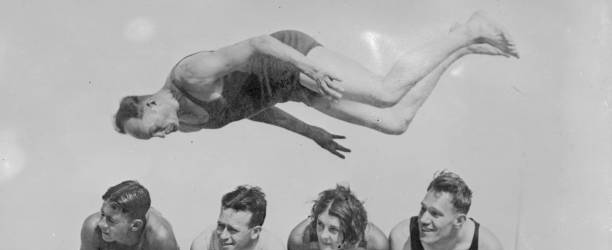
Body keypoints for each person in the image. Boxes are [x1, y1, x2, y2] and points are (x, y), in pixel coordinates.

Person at [114, 12, 518, 159]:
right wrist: (311, 132)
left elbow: (259, 42)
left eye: (155, 131)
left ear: (149, 105)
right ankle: (459, 46)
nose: (165, 135)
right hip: (295, 88)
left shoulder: (190, 75)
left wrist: (312, 68)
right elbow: (250, 110)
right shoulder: (185, 122)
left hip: (292, 55)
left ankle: (472, 28)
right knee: (395, 123)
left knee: (385, 92)